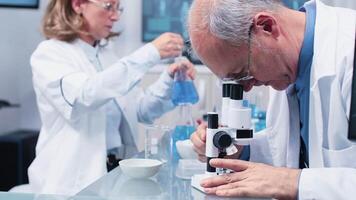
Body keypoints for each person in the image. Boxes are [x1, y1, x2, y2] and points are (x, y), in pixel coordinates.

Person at [188, 0, 356, 199]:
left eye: (243, 73)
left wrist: (290, 181)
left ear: (267, 26)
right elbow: (295, 146)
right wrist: (239, 152)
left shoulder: (348, 50)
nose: (247, 87)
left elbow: (294, 175)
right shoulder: (284, 63)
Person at [29, 0, 196, 195]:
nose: (115, 16)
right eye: (109, 7)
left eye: (118, 9)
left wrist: (168, 78)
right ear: (78, 5)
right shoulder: (50, 53)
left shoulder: (107, 55)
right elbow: (84, 96)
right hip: (70, 182)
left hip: (114, 174)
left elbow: (140, 110)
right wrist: (150, 53)